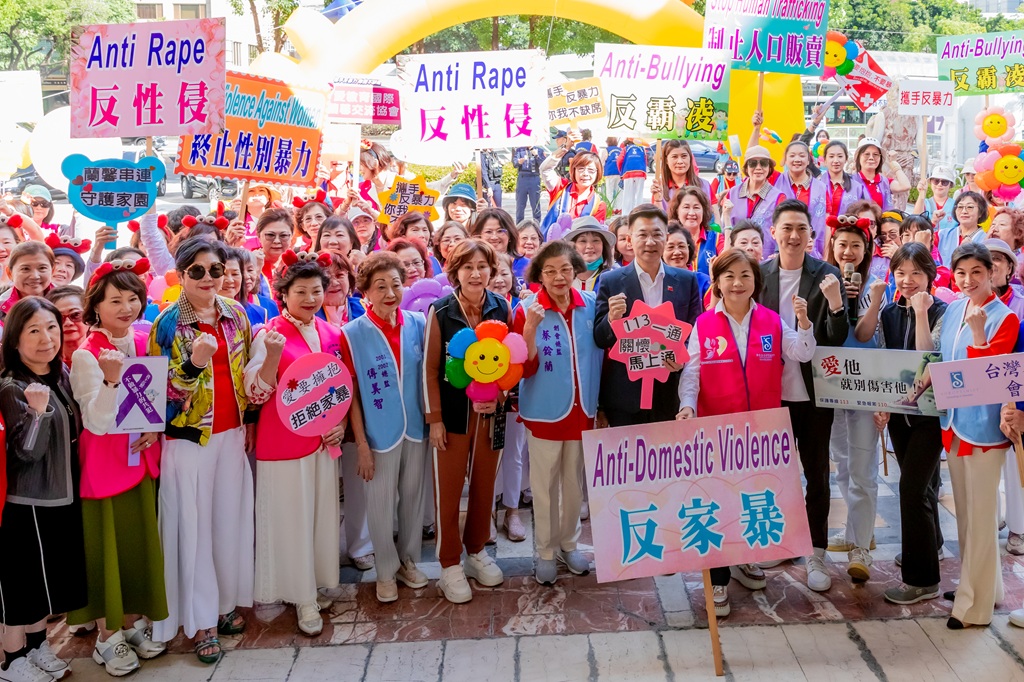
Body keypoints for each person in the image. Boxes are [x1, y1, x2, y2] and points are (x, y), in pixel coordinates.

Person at [678, 248, 816, 616]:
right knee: (717, 501)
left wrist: (804, 322)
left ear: (756, 281)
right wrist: (688, 404)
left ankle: (743, 559)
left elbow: (802, 353)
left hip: (760, 433)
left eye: (745, 276)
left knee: (751, 498)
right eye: (729, 276)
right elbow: (692, 371)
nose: (737, 283)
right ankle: (718, 579)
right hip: (717, 430)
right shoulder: (704, 324)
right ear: (718, 283)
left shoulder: (772, 321)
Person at [149, 239, 254, 662]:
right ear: (180, 275)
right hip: (189, 440)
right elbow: (161, 395)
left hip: (232, 434)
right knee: (195, 531)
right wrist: (193, 363)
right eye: (197, 271)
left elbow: (245, 374)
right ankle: (201, 621)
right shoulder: (167, 324)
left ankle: (225, 604)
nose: (208, 278)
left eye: (216, 270)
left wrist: (249, 421)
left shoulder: (236, 313)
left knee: (229, 522)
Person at [67, 261, 168, 676]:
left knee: (135, 545)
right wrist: (110, 381)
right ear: (96, 306)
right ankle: (107, 637)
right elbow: (96, 421)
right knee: (106, 549)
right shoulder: (85, 354)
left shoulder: (143, 341)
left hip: (140, 459)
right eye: (115, 301)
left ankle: (131, 624)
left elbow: (156, 400)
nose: (126, 308)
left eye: (132, 298)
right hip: (105, 466)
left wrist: (154, 429)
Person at [243, 251, 343, 636]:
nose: (310, 298)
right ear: (283, 294)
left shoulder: (331, 333)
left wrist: (338, 425)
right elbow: (255, 393)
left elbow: (339, 387)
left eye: (316, 290)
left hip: (322, 443)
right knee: (292, 520)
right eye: (300, 291)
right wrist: (271, 355)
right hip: (284, 444)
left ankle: (314, 583)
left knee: (320, 517)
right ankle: (302, 598)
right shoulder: (268, 334)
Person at [759, 199, 848, 592]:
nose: (794, 236)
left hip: (813, 394)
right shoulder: (760, 274)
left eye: (801, 229)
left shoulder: (827, 274)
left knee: (816, 474)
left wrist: (835, 304)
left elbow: (836, 336)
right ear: (773, 232)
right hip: (769, 392)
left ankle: (816, 551)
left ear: (811, 235)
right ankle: (779, 541)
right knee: (774, 473)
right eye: (787, 228)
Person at [0, 298, 85, 682]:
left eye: (51, 327)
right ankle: (12, 659)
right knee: (22, 584)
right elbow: (26, 453)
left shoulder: (60, 374)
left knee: (45, 582)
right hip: (28, 501)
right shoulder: (12, 386)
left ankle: (37, 647)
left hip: (63, 495)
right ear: (15, 339)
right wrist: (37, 413)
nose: (46, 338)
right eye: (33, 330)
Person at [424, 240, 512, 604]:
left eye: (482, 266)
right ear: (455, 272)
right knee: (447, 492)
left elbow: (510, 363)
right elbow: (430, 370)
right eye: (467, 267)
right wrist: (435, 420)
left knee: (484, 486)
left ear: (492, 270)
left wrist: (500, 396)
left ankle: (476, 551)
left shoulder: (502, 307)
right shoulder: (441, 310)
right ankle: (449, 564)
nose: (476, 274)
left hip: (491, 416)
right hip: (452, 417)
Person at [340, 252, 430, 603]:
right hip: (379, 435)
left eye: (395, 284)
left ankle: (408, 561)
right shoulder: (352, 334)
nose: (390, 293)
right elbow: (352, 394)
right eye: (380, 287)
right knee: (379, 505)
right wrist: (362, 445)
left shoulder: (418, 324)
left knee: (413, 498)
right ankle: (385, 571)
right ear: (366, 292)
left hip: (416, 429)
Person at [939, 242, 1018, 629]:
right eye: (961, 273)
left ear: (991, 273)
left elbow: (987, 378)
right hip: (953, 424)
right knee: (967, 516)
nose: (968, 280)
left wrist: (977, 335)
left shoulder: (1005, 318)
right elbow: (944, 360)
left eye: (976, 272)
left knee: (984, 517)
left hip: (985, 429)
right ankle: (986, 587)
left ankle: (974, 607)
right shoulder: (954, 309)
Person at [515, 240, 602, 584]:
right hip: (544, 413)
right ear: (540, 275)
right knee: (544, 486)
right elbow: (524, 368)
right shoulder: (528, 309)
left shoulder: (591, 305)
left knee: (573, 483)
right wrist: (530, 329)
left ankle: (569, 544)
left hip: (583, 410)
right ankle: (545, 551)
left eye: (565, 269)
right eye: (550, 271)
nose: (559, 277)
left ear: (577, 270)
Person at [873, 243, 947, 605]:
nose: (908, 280)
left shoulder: (943, 311)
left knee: (912, 489)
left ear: (929, 275)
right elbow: (884, 363)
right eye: (901, 273)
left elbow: (926, 359)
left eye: (916, 272)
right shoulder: (889, 312)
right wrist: (882, 405)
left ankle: (922, 580)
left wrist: (920, 312)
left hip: (932, 416)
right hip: (900, 415)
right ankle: (931, 544)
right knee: (923, 486)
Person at [594, 203, 703, 427]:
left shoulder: (686, 281)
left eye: (657, 234)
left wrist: (681, 357)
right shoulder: (611, 281)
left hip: (671, 395)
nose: (650, 242)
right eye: (642, 235)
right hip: (625, 399)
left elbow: (695, 334)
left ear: (666, 237)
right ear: (630, 239)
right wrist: (611, 319)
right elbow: (599, 338)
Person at [823, 215, 888, 582]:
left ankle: (861, 545)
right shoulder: (824, 281)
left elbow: (865, 336)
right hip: (832, 386)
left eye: (856, 246)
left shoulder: (874, 286)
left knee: (863, 466)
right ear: (832, 246)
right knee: (843, 464)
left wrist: (872, 300)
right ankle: (855, 530)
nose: (848, 252)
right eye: (842, 244)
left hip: (865, 388)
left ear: (866, 251)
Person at [724, 146, 785, 257]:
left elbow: (782, 230)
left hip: (766, 259)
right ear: (746, 168)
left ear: (769, 168)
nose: (758, 168)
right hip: (737, 258)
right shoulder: (732, 193)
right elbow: (724, 228)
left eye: (763, 163)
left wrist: (778, 254)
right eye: (753, 163)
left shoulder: (778, 197)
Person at [770, 141, 829, 257]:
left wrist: (827, 255)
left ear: (808, 160)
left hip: (813, 252)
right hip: (780, 251)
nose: (797, 159)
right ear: (785, 159)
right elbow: (753, 159)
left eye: (802, 156)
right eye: (792, 156)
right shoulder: (775, 180)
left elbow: (827, 223)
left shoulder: (821, 188)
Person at [540, 149, 607, 238]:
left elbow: (594, 235)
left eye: (591, 170)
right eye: (581, 169)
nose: (585, 174)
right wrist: (558, 153)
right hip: (549, 243)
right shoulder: (560, 187)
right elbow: (545, 170)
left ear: (598, 173)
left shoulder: (598, 205)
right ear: (573, 170)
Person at [668, 186, 723, 276]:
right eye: (686, 207)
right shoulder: (668, 239)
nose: (691, 213)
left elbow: (728, 259)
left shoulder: (715, 238)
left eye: (696, 207)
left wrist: (727, 219)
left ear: (703, 211)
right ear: (677, 210)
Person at [0, 241, 53, 331]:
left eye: (42, 268)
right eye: (25, 269)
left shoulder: (65, 301)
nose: (35, 276)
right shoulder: (2, 306)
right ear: (10, 273)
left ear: (52, 270)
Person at [650, 140, 712, 214]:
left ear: (690, 158)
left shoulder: (704, 185)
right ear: (666, 160)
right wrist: (658, 201)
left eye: (684, 156)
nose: (680, 161)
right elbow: (658, 219)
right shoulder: (659, 188)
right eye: (674, 157)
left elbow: (713, 217)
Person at [851, 138, 911, 212]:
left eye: (875, 154)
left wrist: (894, 164)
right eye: (866, 154)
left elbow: (905, 186)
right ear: (858, 157)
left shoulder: (885, 182)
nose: (871, 158)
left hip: (882, 219)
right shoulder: (850, 181)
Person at [473, 208, 527, 282]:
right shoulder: (472, 266)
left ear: (510, 234)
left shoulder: (527, 265)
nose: (494, 237)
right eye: (488, 232)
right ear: (479, 235)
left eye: (500, 231)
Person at [821, 141, 869, 221]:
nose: (836, 160)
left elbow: (864, 212)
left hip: (848, 228)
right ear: (825, 160)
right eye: (831, 156)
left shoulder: (857, 187)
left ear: (846, 159)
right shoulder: (816, 185)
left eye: (840, 156)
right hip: (821, 228)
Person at [938, 191, 988, 267]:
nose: (964, 211)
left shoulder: (986, 240)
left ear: (980, 212)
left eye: (970, 207)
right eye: (960, 207)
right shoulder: (942, 234)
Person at [564, 216, 614, 292]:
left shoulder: (613, 277)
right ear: (572, 246)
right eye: (583, 241)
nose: (590, 246)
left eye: (596, 240)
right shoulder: (563, 279)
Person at [256, 208, 295, 297]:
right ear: (258, 236)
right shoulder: (248, 264)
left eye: (283, 235)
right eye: (270, 235)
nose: (277, 241)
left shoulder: (297, 265)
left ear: (291, 236)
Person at [665, 223, 711, 299]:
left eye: (681, 246)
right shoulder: (656, 282)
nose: (677, 252)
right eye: (670, 247)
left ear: (689, 249)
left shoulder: (704, 281)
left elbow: (712, 306)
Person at [47, 285, 88, 366]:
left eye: (75, 315)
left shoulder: (106, 354)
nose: (68, 323)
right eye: (59, 318)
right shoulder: (43, 362)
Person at [914, 166, 957, 236]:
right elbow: (915, 220)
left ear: (950, 185)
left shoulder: (956, 205)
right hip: (927, 240)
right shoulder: (924, 203)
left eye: (944, 182)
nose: (939, 184)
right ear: (931, 182)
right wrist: (922, 193)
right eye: (936, 181)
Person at [617, 138, 650, 216]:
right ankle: (639, 213)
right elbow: (645, 161)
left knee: (627, 194)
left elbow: (619, 160)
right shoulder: (642, 149)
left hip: (628, 172)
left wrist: (621, 171)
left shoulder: (625, 149)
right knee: (639, 194)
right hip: (641, 172)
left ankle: (626, 214)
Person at [513, 146, 546, 222]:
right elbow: (514, 163)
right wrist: (519, 162)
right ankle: (519, 224)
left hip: (534, 177)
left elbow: (543, 164)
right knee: (520, 204)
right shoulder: (519, 150)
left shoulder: (539, 150)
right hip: (522, 178)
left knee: (535, 204)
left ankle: (537, 223)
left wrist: (536, 155)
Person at [710, 160, 739, 224]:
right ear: (724, 171)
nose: (731, 176)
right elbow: (710, 195)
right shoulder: (718, 179)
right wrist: (720, 195)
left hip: (736, 207)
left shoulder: (739, 180)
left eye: (734, 174)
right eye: (729, 173)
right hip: (721, 208)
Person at [602, 137, 622, 206]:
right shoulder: (620, 150)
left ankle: (610, 207)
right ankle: (618, 207)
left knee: (609, 191)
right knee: (618, 191)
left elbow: (602, 162)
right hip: (619, 172)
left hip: (609, 172)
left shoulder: (606, 150)